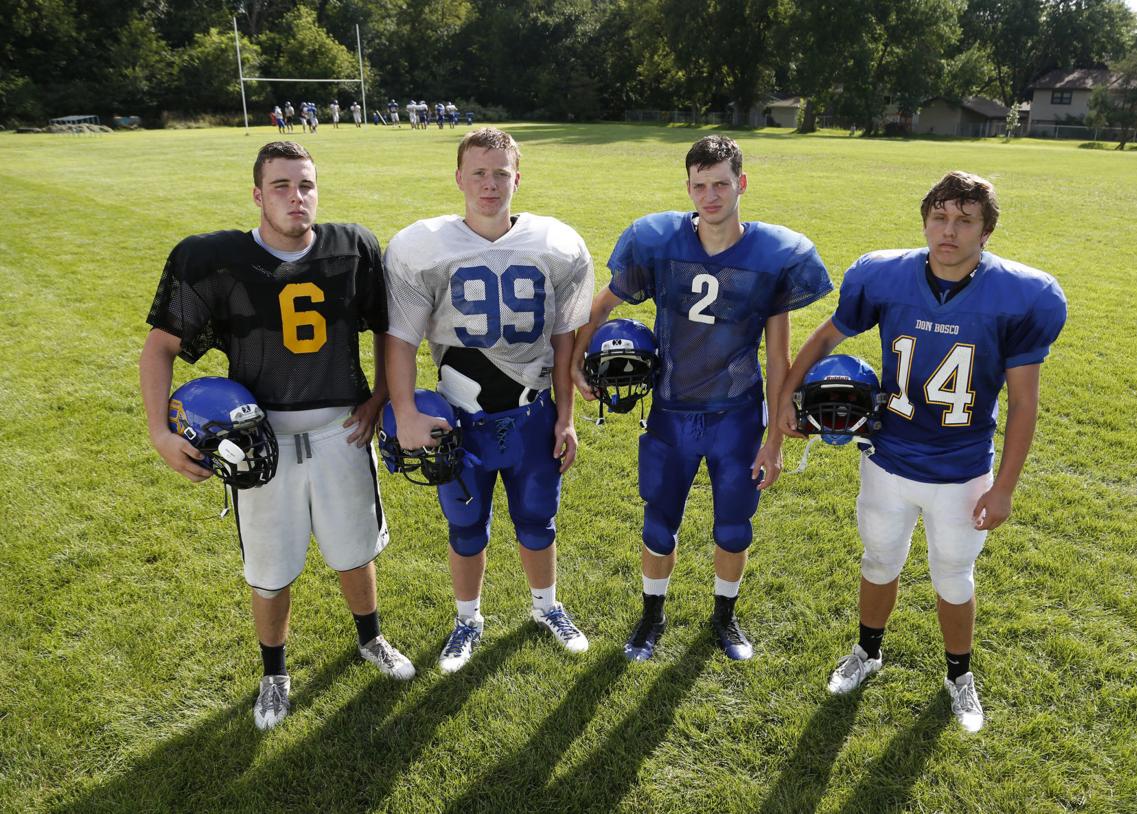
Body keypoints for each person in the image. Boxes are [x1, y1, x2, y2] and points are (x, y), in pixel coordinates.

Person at [777, 170, 1067, 732]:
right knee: (879, 559)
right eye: (940, 217)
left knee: (953, 576)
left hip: (961, 469)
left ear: (986, 232)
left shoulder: (1021, 296)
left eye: (965, 220)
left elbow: (1025, 405)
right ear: (925, 221)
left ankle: (959, 676)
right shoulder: (884, 276)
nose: (949, 231)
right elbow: (825, 337)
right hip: (888, 458)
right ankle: (867, 652)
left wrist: (1004, 487)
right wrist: (788, 397)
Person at [139, 141, 414, 731]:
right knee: (270, 568)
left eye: (306, 185)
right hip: (259, 439)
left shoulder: (352, 247)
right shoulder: (215, 260)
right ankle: (274, 673)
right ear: (258, 194)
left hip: (342, 429)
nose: (297, 197)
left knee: (355, 548)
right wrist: (160, 433)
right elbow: (160, 346)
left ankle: (371, 639)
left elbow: (391, 331)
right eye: (283, 186)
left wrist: (380, 398)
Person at [571, 135, 832, 662]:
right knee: (657, 520)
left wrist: (774, 441)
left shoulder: (774, 255)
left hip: (736, 414)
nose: (710, 195)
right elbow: (602, 304)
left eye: (720, 183)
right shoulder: (660, 242)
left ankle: (725, 618)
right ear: (687, 187)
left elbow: (777, 357)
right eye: (699, 185)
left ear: (742, 182)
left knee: (734, 525)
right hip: (671, 410)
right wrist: (577, 360)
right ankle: (651, 616)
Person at [384, 128, 594, 673]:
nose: (489, 183)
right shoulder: (423, 247)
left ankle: (547, 607)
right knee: (465, 525)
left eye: (501, 172)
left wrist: (566, 418)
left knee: (537, 519)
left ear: (517, 178)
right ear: (458, 178)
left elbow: (565, 340)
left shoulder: (555, 244)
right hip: (459, 419)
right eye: (478, 172)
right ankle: (468, 620)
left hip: (533, 411)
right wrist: (405, 410)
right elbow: (401, 338)